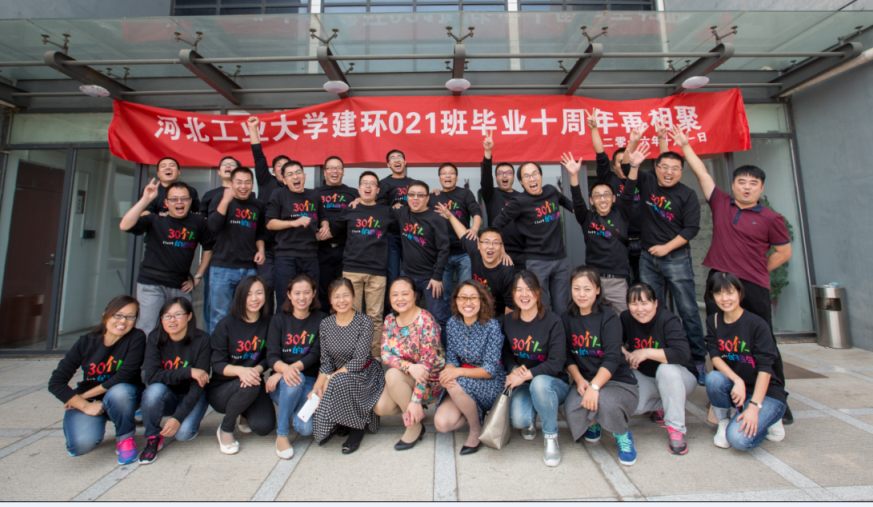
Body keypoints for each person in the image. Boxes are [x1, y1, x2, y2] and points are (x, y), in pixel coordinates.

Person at [673, 125, 795, 426]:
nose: (747, 187)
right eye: (742, 182)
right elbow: (702, 173)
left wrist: (756, 270)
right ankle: (723, 395)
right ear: (734, 185)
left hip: (753, 286)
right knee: (721, 340)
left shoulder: (771, 218)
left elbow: (783, 252)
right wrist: (685, 146)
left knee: (764, 342)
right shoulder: (721, 203)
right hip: (719, 282)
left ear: (761, 189)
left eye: (753, 183)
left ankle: (777, 397)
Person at [624, 127, 707, 385]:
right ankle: (661, 356)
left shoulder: (687, 194)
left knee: (688, 309)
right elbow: (627, 167)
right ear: (656, 168)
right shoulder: (648, 181)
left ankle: (697, 359)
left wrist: (667, 248)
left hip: (676, 258)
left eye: (675, 169)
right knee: (653, 309)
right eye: (664, 167)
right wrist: (633, 142)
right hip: (649, 258)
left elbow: (691, 229)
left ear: (681, 171)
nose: (669, 172)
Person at [48, 295, 146, 464]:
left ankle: (125, 438)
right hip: (93, 401)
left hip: (123, 396)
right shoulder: (86, 342)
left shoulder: (136, 337)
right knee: (80, 446)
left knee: (120, 391)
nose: (123, 321)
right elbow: (56, 382)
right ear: (105, 316)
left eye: (130, 316)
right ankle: (100, 417)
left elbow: (124, 376)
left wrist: (82, 397)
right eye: (118, 315)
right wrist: (85, 405)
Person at [562, 267, 639, 466]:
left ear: (597, 290)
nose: (581, 294)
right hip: (585, 380)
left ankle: (622, 433)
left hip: (616, 381)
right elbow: (567, 356)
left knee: (605, 402)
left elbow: (612, 358)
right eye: (576, 288)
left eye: (587, 289)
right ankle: (594, 421)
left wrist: (595, 387)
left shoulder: (609, 317)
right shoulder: (566, 318)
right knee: (571, 409)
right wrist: (579, 380)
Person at [120, 179, 214, 336]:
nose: (179, 202)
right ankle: (147, 354)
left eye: (184, 198)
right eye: (174, 199)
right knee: (148, 329)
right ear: (166, 202)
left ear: (190, 201)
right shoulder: (155, 220)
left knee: (182, 330)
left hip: (180, 285)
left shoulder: (198, 222)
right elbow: (125, 225)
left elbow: (209, 248)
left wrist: (197, 277)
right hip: (152, 284)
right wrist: (145, 200)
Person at [704, 272, 787, 451]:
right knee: (713, 378)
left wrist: (754, 407)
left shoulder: (757, 324)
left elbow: (765, 369)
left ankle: (771, 419)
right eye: (718, 293)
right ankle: (724, 422)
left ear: (740, 293)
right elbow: (715, 357)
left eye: (730, 293)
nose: (724, 299)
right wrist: (737, 380)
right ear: (712, 296)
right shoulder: (714, 321)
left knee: (738, 440)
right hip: (738, 389)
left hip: (766, 394)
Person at [563, 142, 648, 314]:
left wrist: (634, 167)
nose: (602, 199)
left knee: (623, 319)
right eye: (597, 196)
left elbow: (629, 189)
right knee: (593, 319)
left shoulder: (622, 214)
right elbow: (577, 199)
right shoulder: (587, 217)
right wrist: (573, 175)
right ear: (592, 201)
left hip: (618, 281)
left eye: (606, 195)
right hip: (594, 282)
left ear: (614, 198)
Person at [588, 111, 669, 285]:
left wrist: (662, 139)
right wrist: (594, 128)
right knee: (625, 286)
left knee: (645, 286)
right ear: (615, 166)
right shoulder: (609, 180)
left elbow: (664, 166)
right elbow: (601, 156)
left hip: (646, 241)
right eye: (620, 161)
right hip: (619, 242)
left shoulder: (644, 180)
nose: (625, 163)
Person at [324, 171, 397, 356]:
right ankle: (352, 355)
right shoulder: (350, 209)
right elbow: (332, 231)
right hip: (352, 269)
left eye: (372, 184)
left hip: (377, 271)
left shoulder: (386, 211)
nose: (368, 186)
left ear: (378, 190)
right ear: (359, 188)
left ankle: (374, 357)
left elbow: (404, 224)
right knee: (350, 314)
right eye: (365, 183)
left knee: (375, 317)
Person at [501, 271, 569, 467]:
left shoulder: (553, 321)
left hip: (552, 383)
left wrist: (525, 376)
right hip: (524, 384)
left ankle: (551, 436)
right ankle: (531, 417)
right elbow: (506, 353)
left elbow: (556, 363)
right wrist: (513, 368)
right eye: (518, 290)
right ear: (513, 294)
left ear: (538, 292)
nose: (524, 294)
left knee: (539, 384)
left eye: (529, 289)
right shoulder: (508, 321)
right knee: (518, 420)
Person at [621, 282, 698, 456]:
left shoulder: (668, 320)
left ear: (655, 303)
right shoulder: (626, 318)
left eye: (644, 303)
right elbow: (614, 342)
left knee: (666, 370)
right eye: (634, 304)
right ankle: (666, 404)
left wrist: (646, 352)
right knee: (631, 406)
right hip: (646, 375)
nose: (640, 309)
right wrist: (627, 354)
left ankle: (677, 429)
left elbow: (682, 354)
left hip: (680, 376)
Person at [311, 278, 386, 454]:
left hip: (364, 374)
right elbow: (326, 362)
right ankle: (343, 421)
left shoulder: (364, 322)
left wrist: (330, 379)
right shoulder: (326, 324)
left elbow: (359, 360)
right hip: (339, 375)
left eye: (346, 295)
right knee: (336, 382)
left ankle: (356, 428)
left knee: (340, 380)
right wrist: (317, 387)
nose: (341, 300)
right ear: (330, 300)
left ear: (353, 297)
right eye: (336, 296)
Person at [434, 279, 506, 455]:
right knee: (442, 423)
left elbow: (489, 370)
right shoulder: (452, 323)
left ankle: (475, 429)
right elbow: (452, 359)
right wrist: (448, 372)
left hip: (490, 383)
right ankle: (473, 411)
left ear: (481, 300)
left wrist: (457, 372)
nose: (468, 302)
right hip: (462, 383)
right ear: (456, 300)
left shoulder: (491, 326)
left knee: (455, 382)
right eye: (463, 297)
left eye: (473, 297)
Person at [373, 276, 446, 451]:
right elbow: (385, 355)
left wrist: (415, 400)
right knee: (381, 407)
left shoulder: (426, 321)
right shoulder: (390, 320)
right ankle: (413, 409)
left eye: (405, 294)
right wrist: (410, 367)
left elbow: (426, 368)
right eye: (395, 294)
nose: (400, 298)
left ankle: (414, 426)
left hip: (430, 382)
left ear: (415, 295)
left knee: (392, 374)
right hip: (408, 375)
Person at [207, 275, 276, 454]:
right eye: (249, 294)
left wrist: (254, 370)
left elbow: (269, 356)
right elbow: (217, 363)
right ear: (240, 296)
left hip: (252, 381)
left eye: (259, 293)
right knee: (250, 384)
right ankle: (226, 428)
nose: (254, 298)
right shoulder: (226, 325)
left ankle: (244, 412)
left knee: (264, 427)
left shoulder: (270, 323)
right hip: (223, 389)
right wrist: (241, 371)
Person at [138, 297, 211, 464]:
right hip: (166, 394)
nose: (172, 320)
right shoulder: (155, 337)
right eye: (167, 316)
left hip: (193, 394)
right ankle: (152, 437)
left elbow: (199, 384)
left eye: (178, 314)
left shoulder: (202, 339)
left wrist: (178, 417)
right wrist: (188, 371)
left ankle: (184, 419)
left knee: (183, 434)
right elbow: (152, 376)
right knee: (153, 391)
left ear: (189, 316)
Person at [492, 162, 574, 313]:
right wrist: (501, 251)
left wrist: (587, 215)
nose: (531, 179)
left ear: (540, 176)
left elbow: (568, 203)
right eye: (526, 176)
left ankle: (559, 330)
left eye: (534, 174)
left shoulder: (551, 191)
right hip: (537, 262)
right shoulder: (519, 201)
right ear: (521, 182)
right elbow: (496, 224)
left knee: (562, 308)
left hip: (560, 260)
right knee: (541, 308)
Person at [266, 274, 326, 459]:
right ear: (289, 295)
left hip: (309, 380)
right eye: (297, 293)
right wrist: (284, 371)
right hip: (283, 383)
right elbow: (272, 356)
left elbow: (315, 354)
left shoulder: (321, 319)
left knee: (305, 428)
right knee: (295, 378)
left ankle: (290, 407)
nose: (302, 297)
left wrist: (286, 370)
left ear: (314, 294)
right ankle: (282, 434)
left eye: (306, 292)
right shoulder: (278, 320)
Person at [206, 166, 266, 334]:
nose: (243, 186)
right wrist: (226, 201)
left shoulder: (258, 205)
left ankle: (241, 347)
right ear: (231, 184)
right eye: (239, 182)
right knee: (220, 315)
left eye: (248, 182)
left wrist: (261, 250)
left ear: (252, 184)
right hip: (222, 267)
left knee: (247, 314)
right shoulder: (220, 199)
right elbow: (213, 226)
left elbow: (260, 232)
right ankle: (217, 350)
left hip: (248, 268)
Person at [392, 180, 451, 346]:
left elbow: (444, 249)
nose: (415, 198)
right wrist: (358, 199)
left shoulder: (436, 218)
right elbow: (377, 208)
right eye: (411, 194)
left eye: (420, 195)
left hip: (430, 279)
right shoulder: (402, 212)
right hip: (408, 276)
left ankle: (443, 354)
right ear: (407, 197)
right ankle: (407, 350)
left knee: (438, 318)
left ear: (427, 198)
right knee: (404, 314)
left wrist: (437, 277)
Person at [266, 160, 329, 309]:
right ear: (284, 180)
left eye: (298, 172)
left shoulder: (314, 195)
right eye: (290, 174)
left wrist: (325, 226)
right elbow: (270, 223)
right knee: (285, 299)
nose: (295, 177)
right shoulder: (279, 194)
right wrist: (293, 223)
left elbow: (323, 216)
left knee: (311, 298)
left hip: (310, 255)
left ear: (304, 176)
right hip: (286, 256)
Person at [435, 204, 515, 315]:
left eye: (495, 243)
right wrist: (450, 216)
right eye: (486, 242)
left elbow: (510, 307)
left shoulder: (507, 270)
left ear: (501, 247)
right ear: (478, 245)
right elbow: (463, 234)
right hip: (475, 311)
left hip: (497, 315)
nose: (490, 246)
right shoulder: (475, 252)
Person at [247, 116, 291, 315]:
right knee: (265, 288)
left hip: (287, 248)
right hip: (265, 246)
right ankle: (264, 329)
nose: (283, 168)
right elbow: (258, 156)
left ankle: (280, 328)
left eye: (287, 166)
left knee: (285, 291)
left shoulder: (295, 190)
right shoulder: (267, 182)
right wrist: (253, 129)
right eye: (279, 165)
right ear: (273, 171)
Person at [198, 156, 243, 327]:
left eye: (232, 164)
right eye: (225, 164)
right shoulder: (210, 195)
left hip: (241, 257)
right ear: (218, 171)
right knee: (214, 304)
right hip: (216, 255)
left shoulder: (247, 195)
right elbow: (202, 222)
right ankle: (213, 339)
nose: (228, 166)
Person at [429, 162, 482, 304]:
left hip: (464, 253)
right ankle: (448, 320)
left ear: (457, 177)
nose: (448, 175)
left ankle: (465, 318)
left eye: (451, 173)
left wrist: (475, 229)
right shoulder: (433, 197)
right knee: (445, 296)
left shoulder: (465, 193)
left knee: (466, 293)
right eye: (444, 173)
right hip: (442, 254)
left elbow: (476, 212)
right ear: (439, 178)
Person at [315, 156, 359, 310]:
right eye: (331, 168)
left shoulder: (353, 193)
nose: (335, 171)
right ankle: (324, 323)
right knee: (323, 292)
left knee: (344, 292)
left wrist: (361, 202)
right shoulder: (315, 193)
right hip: (321, 249)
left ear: (343, 172)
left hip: (345, 250)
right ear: (324, 172)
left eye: (338, 168)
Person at [480, 131, 526, 270]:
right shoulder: (491, 195)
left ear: (514, 177)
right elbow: (485, 179)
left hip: (522, 252)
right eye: (500, 173)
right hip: (497, 252)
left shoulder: (522, 197)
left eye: (508, 173)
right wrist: (488, 152)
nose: (504, 176)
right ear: (496, 178)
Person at [378, 149, 415, 287]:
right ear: (388, 164)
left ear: (405, 162)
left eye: (400, 157)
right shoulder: (384, 183)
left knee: (411, 272)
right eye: (392, 158)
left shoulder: (414, 183)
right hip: (391, 235)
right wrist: (392, 208)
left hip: (411, 234)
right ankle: (392, 301)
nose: (397, 160)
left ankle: (412, 299)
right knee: (392, 274)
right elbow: (380, 208)